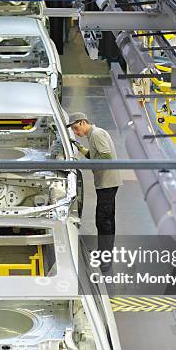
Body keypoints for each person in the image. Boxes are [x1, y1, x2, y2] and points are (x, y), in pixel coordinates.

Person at [67, 112, 124, 269]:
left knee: (103, 221)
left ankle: (105, 260)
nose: (76, 132)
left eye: (76, 128)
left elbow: (106, 158)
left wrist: (87, 165)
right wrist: (81, 149)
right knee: (105, 220)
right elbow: (96, 154)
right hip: (106, 183)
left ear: (83, 122)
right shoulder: (93, 135)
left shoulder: (96, 134)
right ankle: (103, 253)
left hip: (107, 184)